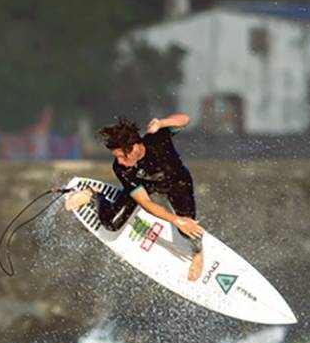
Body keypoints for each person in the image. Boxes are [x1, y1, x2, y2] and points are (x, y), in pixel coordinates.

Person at [64, 113, 206, 282]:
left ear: (135, 147)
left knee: (190, 229)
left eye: (123, 156)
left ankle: (198, 253)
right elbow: (145, 202)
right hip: (144, 186)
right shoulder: (122, 168)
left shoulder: (157, 139)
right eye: (116, 156)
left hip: (178, 182)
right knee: (111, 223)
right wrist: (174, 220)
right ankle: (92, 195)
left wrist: (162, 122)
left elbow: (184, 119)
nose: (120, 162)